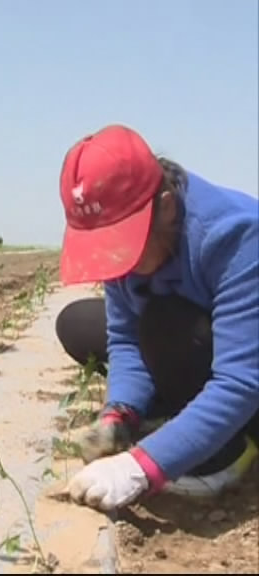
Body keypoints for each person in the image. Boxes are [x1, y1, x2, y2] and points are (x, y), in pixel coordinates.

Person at [54, 124, 258, 512]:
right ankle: (177, 417)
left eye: (123, 244)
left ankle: (228, 452)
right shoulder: (134, 250)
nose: (116, 262)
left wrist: (142, 466)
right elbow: (125, 338)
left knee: (165, 323)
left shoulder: (238, 237)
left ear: (165, 206)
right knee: (79, 324)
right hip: (197, 342)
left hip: (249, 375)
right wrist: (120, 412)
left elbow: (240, 380)